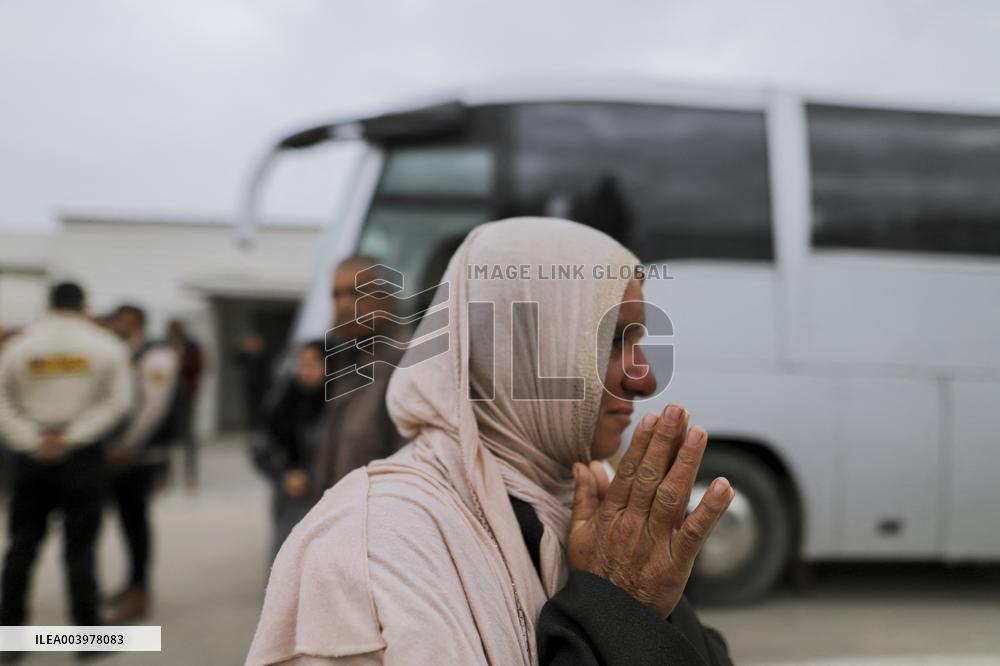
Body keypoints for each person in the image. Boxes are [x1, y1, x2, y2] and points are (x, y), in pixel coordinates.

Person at [245, 218, 734, 666]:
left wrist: (645, 603)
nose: (645, 379)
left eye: (638, 341)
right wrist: (618, 611)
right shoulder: (372, 550)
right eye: (613, 341)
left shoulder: (583, 503)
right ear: (519, 348)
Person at [0, 283, 132, 638]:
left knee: (22, 546)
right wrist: (73, 436)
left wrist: (32, 439)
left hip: (31, 458)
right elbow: (118, 402)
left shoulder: (19, 347)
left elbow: (2, 401)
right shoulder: (105, 346)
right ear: (83, 304)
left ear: (49, 303)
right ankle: (86, 637)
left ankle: (10, 638)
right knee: (82, 548)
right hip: (82, 459)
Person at [104, 303, 180, 624]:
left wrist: (128, 446)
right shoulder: (122, 353)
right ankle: (132, 583)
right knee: (125, 520)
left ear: (135, 323)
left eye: (121, 322)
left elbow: (153, 407)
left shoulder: (156, 356)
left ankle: (140, 590)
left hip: (138, 455)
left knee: (136, 523)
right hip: (120, 453)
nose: (115, 326)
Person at [310, 255, 408, 498]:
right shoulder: (347, 359)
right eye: (336, 295)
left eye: (356, 293)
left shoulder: (408, 365)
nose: (343, 305)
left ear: (387, 298)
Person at [251, 341, 328, 559]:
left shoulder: (337, 405)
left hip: (327, 496)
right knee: (287, 557)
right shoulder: (283, 400)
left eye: (313, 363)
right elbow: (260, 446)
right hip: (289, 497)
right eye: (301, 363)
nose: (305, 370)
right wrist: (284, 474)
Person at [166, 319, 204, 490]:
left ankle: (190, 474)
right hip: (167, 397)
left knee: (188, 436)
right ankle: (165, 476)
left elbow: (200, 367)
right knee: (166, 437)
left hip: (185, 395)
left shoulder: (192, 346)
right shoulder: (165, 346)